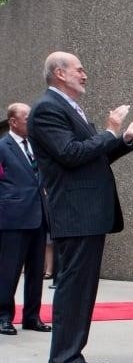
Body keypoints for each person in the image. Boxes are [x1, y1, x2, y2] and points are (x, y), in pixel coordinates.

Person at [27, 51, 133, 363]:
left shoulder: (68, 109)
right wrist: (110, 130)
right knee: (74, 287)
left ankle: (71, 356)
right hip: (75, 212)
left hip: (87, 213)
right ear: (58, 74)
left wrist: (126, 136)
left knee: (82, 287)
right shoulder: (47, 110)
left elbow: (92, 157)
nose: (85, 75)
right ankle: (64, 361)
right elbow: (70, 155)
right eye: (78, 70)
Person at [0, 102, 50, 336]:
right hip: (13, 218)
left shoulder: (36, 146)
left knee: (36, 270)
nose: (32, 122)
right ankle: (3, 316)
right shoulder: (3, 146)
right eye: (28, 118)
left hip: (39, 216)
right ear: (13, 122)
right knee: (9, 270)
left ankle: (32, 316)